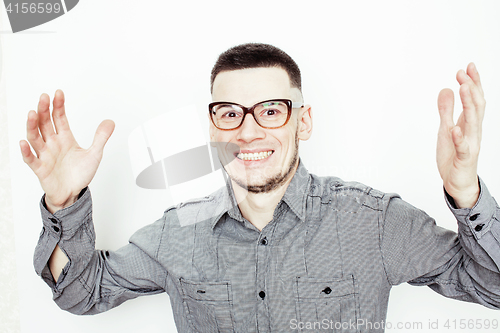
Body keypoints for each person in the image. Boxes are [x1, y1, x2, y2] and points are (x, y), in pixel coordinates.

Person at [21, 43, 499, 332]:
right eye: (229, 113)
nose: (247, 131)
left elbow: (491, 287)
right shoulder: (177, 235)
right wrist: (64, 203)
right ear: (213, 127)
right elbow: (81, 294)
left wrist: (467, 193)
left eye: (270, 110)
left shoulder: (374, 223)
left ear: (303, 121)